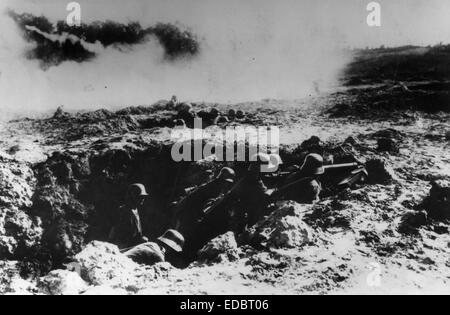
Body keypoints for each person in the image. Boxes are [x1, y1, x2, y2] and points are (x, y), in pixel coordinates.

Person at [173, 167, 236, 261]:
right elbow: (195, 204)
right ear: (220, 179)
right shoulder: (211, 188)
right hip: (189, 215)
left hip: (194, 215)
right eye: (225, 181)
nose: (226, 184)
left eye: (228, 183)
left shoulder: (217, 188)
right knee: (186, 239)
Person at [109, 183, 149, 250]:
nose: (143, 199)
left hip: (132, 245)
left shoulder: (135, 210)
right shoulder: (124, 210)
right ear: (133, 196)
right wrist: (110, 242)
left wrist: (141, 239)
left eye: (143, 197)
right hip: (123, 246)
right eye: (140, 197)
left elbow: (137, 231)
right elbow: (115, 228)